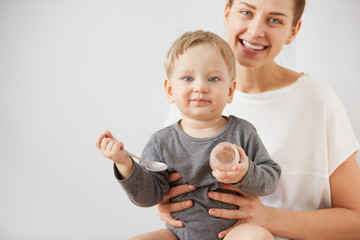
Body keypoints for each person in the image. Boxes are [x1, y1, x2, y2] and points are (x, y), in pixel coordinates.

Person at [158, 0, 360, 239]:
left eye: (274, 20)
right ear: (227, 12)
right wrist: (162, 199)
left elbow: (356, 222)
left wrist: (266, 218)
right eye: (246, 12)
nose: (255, 31)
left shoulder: (317, 100)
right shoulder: (195, 97)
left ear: (293, 31)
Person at [95, 30, 281, 240]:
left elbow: (271, 179)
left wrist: (246, 173)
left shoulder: (243, 132)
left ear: (230, 91)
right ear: (170, 90)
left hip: (232, 233)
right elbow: (148, 197)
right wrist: (124, 164)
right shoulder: (162, 142)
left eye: (213, 78)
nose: (200, 87)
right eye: (188, 78)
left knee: (257, 236)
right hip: (178, 235)